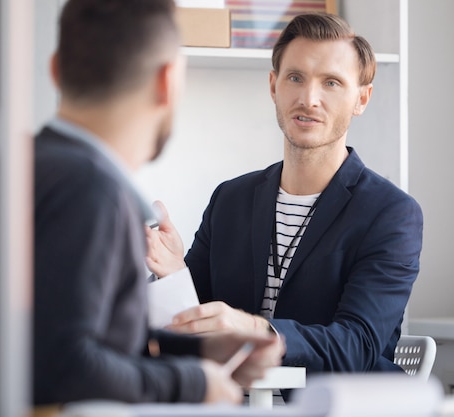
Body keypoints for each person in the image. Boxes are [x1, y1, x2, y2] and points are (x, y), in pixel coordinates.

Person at [0, 0, 284, 406]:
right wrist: (193, 384)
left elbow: (57, 336)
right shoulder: (92, 190)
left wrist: (199, 351)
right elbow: (63, 366)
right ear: (167, 81)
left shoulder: (33, 167)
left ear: (56, 70)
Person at [146, 12, 423, 377]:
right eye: (296, 78)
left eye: (331, 83)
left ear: (362, 98)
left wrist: (258, 330)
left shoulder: (391, 214)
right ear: (274, 86)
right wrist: (171, 275)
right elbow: (185, 331)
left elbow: (357, 346)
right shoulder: (229, 200)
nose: (309, 99)